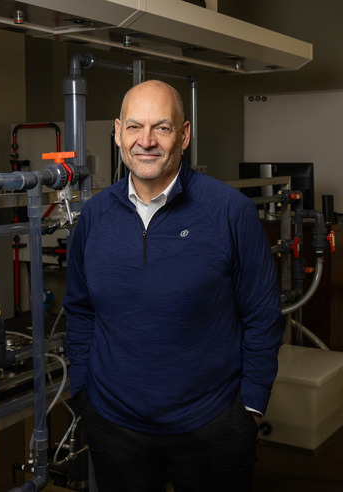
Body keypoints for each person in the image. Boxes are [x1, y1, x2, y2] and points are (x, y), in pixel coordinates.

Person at [63, 80, 285, 492]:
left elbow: (263, 315)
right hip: (114, 425)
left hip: (212, 424)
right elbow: (80, 309)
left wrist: (250, 408)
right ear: (117, 132)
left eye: (161, 128)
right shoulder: (94, 216)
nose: (145, 141)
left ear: (184, 134)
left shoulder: (229, 212)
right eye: (134, 127)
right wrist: (84, 394)